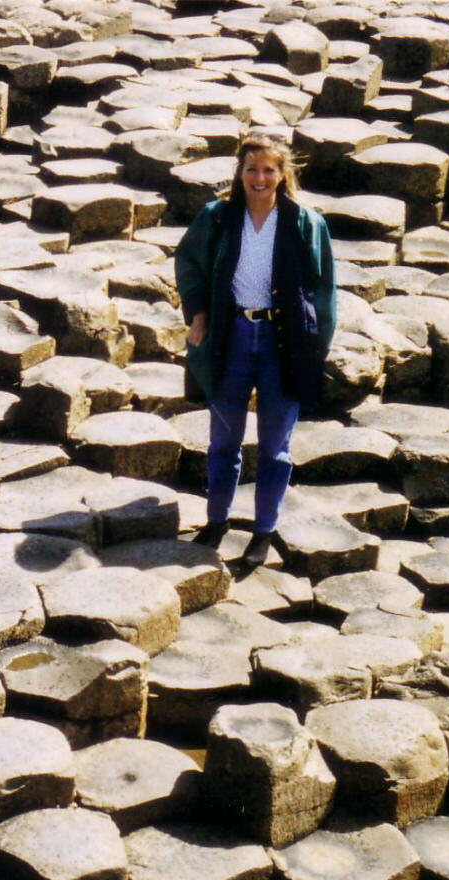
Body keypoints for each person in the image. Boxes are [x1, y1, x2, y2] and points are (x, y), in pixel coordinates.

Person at [173, 133, 336, 567]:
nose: (259, 178)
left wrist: (315, 348)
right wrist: (199, 314)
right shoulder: (218, 217)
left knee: (275, 445)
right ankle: (216, 521)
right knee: (223, 437)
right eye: (251, 169)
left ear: (283, 174)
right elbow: (188, 263)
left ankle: (263, 530)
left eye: (268, 169)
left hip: (283, 343)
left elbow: (323, 292)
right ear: (239, 172)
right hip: (233, 336)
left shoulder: (305, 222)